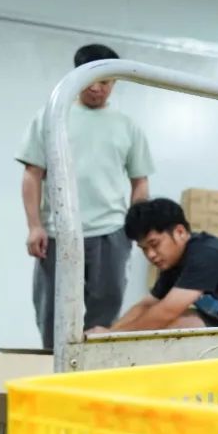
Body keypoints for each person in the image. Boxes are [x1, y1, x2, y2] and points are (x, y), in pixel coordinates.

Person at [17, 43, 154, 348]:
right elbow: (32, 174)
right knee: (52, 315)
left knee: (103, 318)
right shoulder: (51, 117)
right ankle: (54, 368)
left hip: (111, 233)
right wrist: (34, 226)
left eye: (105, 82)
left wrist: (135, 228)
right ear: (77, 76)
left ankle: (94, 372)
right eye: (90, 81)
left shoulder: (127, 127)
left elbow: (140, 182)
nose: (96, 88)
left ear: (115, 82)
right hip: (58, 233)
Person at [87, 198, 218, 333]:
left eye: (154, 244)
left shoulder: (206, 253)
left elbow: (167, 310)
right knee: (173, 325)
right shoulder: (172, 265)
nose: (150, 255)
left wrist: (113, 335)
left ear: (180, 232)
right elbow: (146, 305)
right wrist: (111, 331)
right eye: (144, 249)